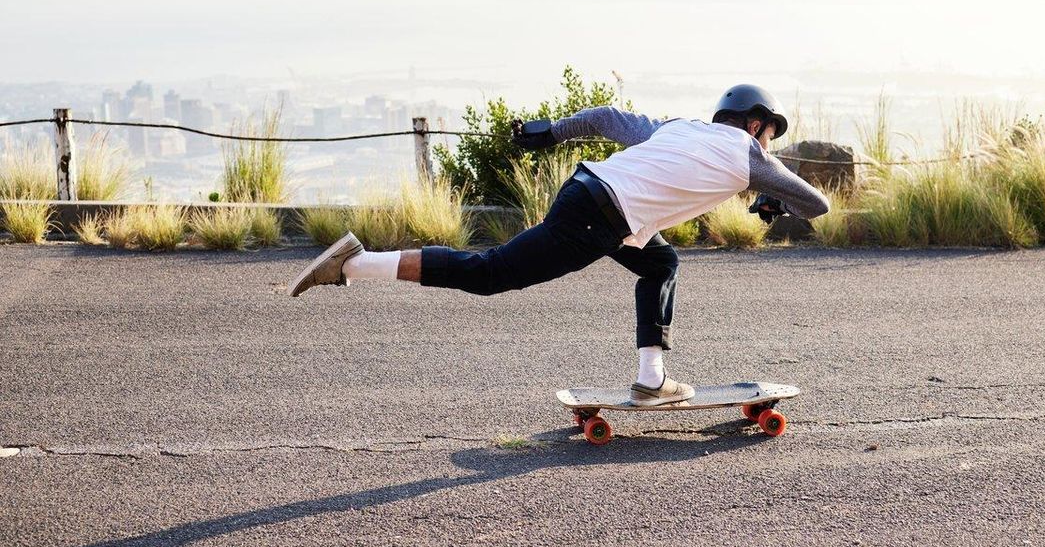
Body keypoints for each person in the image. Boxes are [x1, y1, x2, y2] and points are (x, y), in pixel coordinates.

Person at [288, 84, 830, 405]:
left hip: (587, 189)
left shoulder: (678, 128)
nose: (767, 143)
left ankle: (651, 380)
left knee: (661, 261)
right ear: (757, 124)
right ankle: (355, 264)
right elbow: (817, 206)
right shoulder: (753, 156)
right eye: (769, 133)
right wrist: (774, 197)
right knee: (489, 273)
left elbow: (605, 118)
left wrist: (552, 131)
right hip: (600, 219)